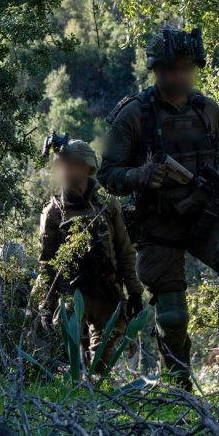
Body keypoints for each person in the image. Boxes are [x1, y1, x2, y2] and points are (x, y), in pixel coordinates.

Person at [98, 25, 219, 389]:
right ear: (157, 70)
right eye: (171, 69)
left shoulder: (207, 110)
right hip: (159, 223)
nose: (180, 77)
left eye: (186, 69)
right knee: (172, 313)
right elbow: (107, 174)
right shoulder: (135, 115)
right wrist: (140, 175)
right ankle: (178, 382)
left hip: (209, 215)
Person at [35, 138, 145, 373]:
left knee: (102, 361)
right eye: (62, 165)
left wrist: (135, 293)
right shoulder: (53, 213)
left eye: (71, 164)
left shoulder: (107, 206)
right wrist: (46, 306)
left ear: (87, 167)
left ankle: (96, 388)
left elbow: (125, 252)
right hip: (72, 295)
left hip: (107, 293)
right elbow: (47, 265)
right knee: (69, 354)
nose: (66, 170)